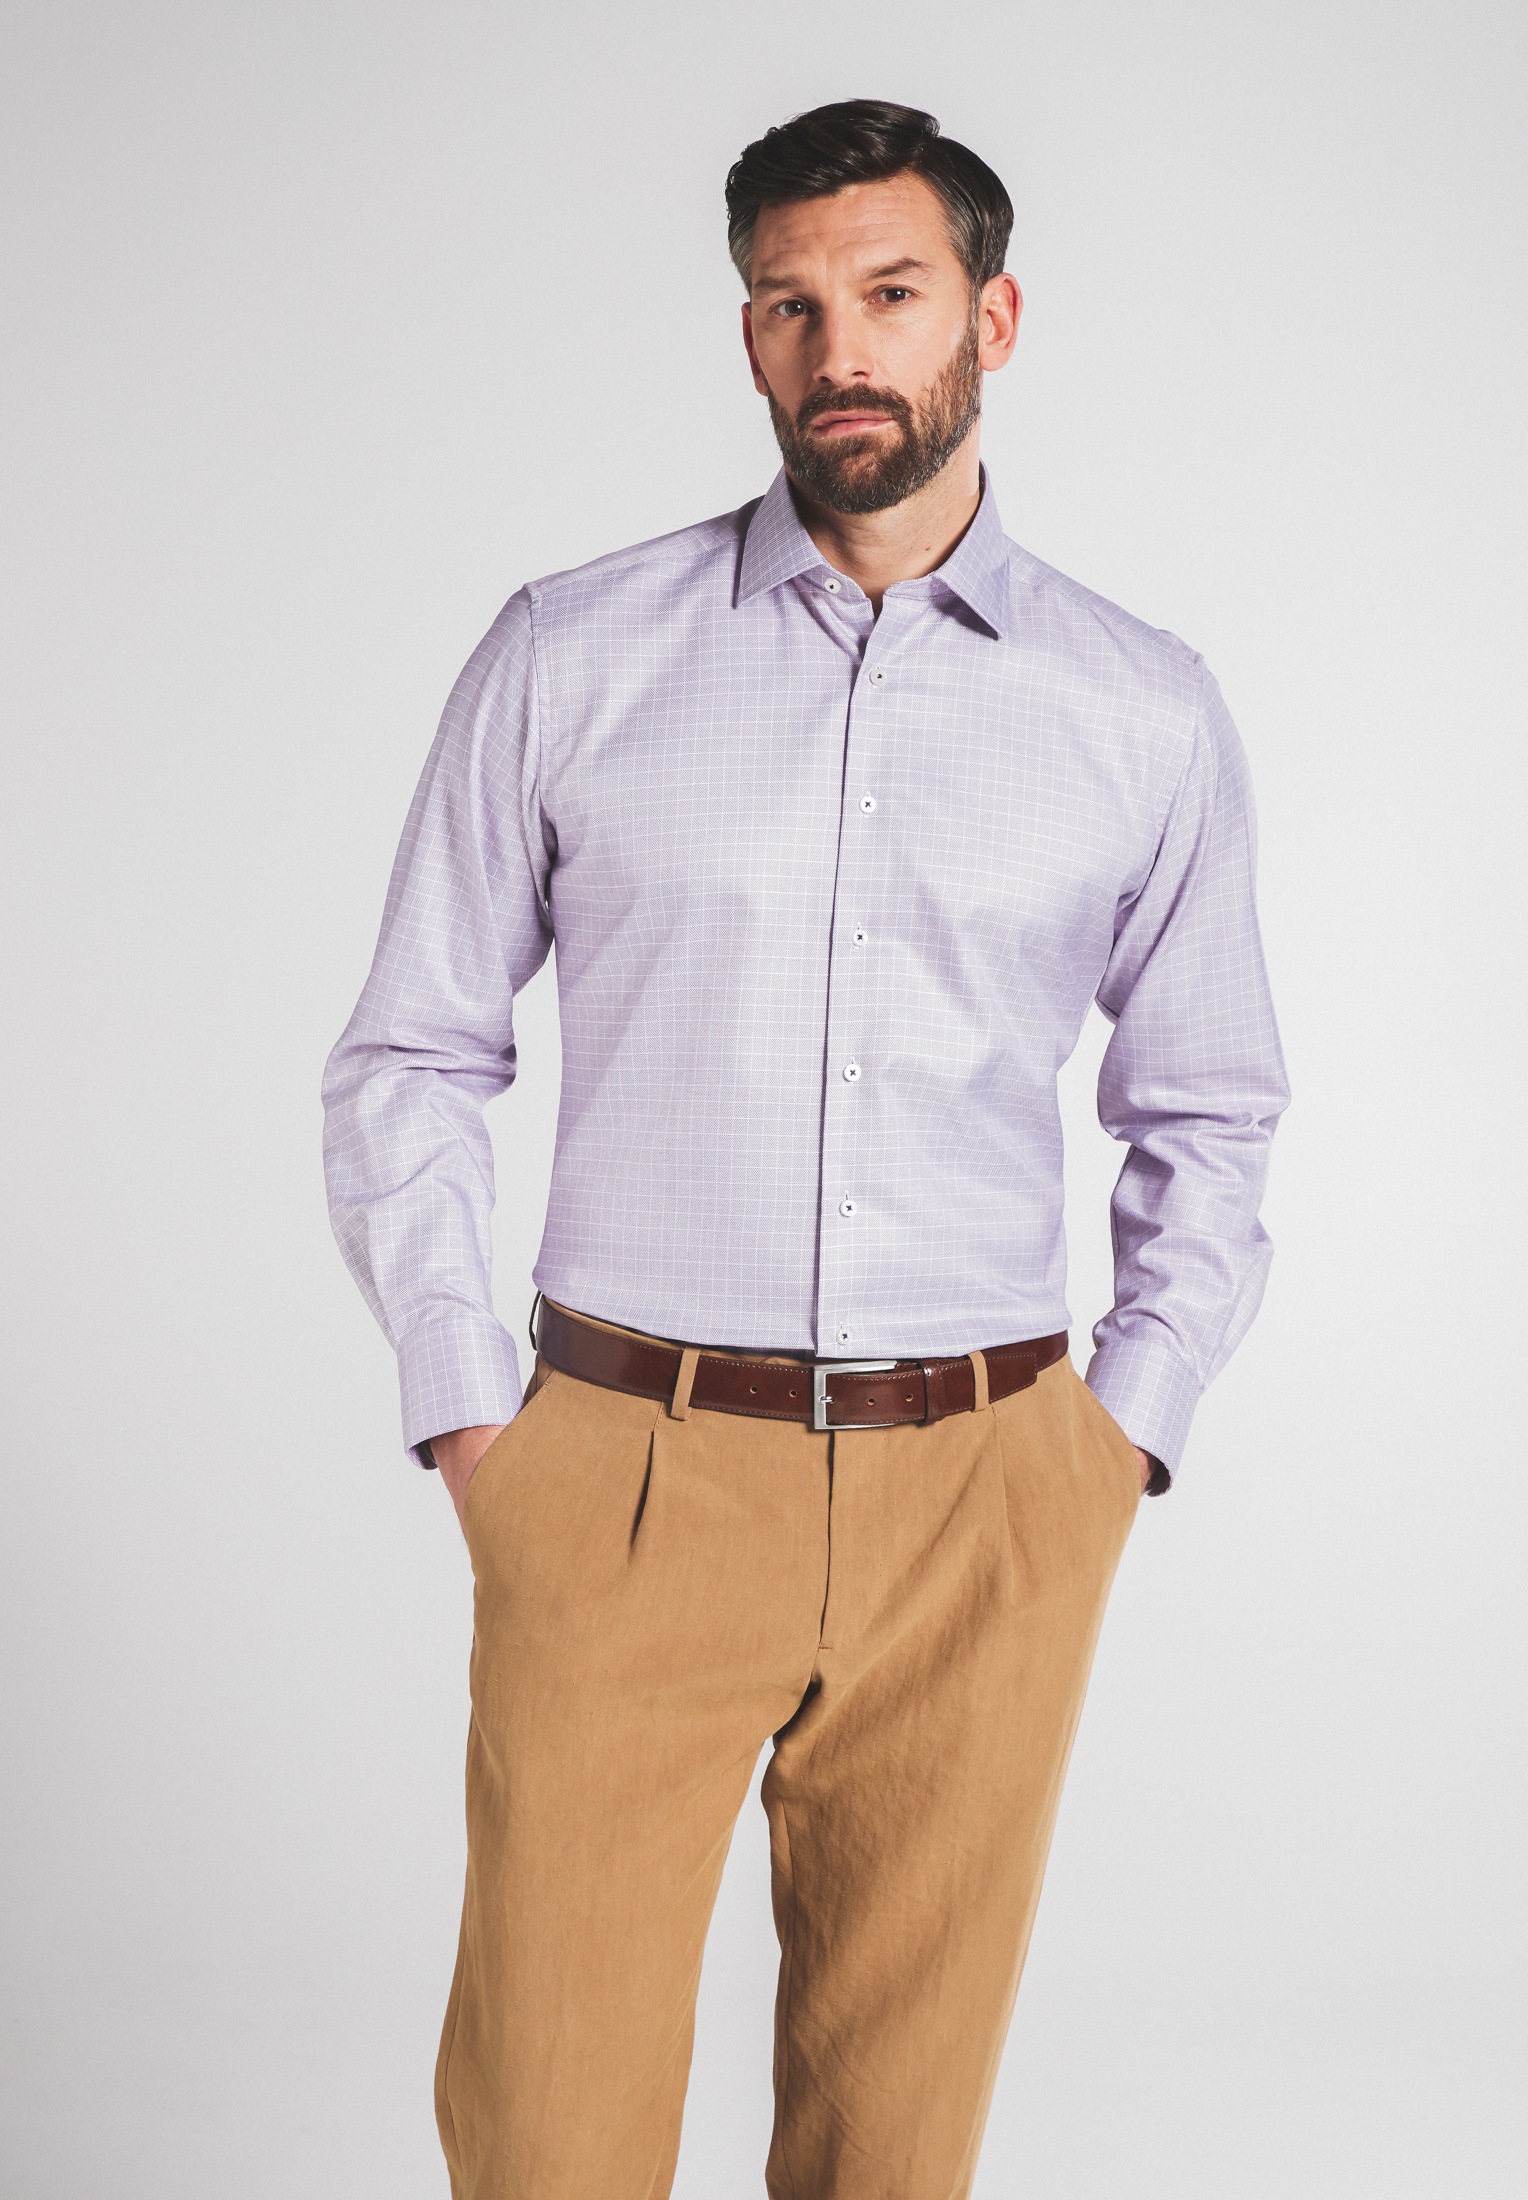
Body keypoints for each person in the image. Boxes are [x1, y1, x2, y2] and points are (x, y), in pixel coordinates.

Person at [323, 97, 1288, 2200]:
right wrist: (475, 1418)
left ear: (991, 319)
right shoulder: (571, 652)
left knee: (893, 2143)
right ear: (747, 332)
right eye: (786, 305)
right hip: (624, 1472)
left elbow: (1208, 1106)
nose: (837, 350)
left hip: (988, 1493)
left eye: (889, 294)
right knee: (546, 2128)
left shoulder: (1140, 708)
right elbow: (410, 1050)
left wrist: (1112, 1438)